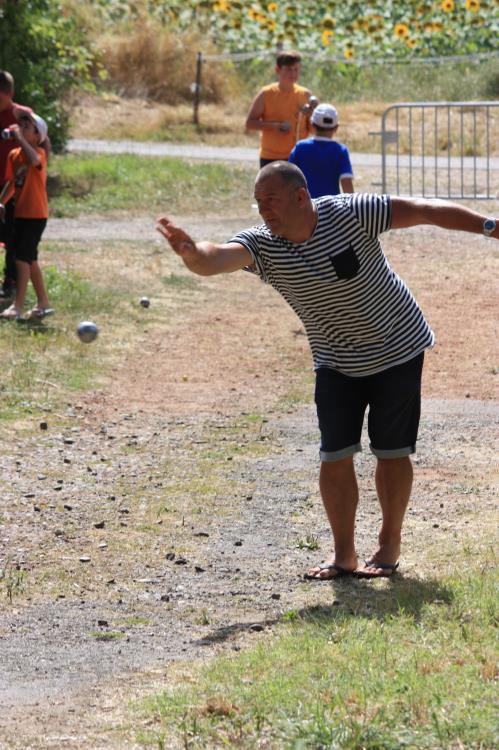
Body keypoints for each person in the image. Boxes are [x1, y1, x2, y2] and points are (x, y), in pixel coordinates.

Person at [156, 161, 498, 580]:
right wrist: (193, 253)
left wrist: (488, 225)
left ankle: (389, 544)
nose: (264, 211)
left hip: (397, 346)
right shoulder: (264, 246)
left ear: (301, 197)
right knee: (334, 454)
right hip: (335, 359)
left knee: (391, 451)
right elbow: (215, 259)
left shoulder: (351, 212)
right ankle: (344, 556)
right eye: (258, 203)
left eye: (272, 201)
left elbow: (423, 208)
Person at [0, 108, 53, 320]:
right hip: (21, 214)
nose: (20, 128)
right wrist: (1, 201)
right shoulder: (14, 156)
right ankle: (43, 303)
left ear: (37, 136)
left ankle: (17, 306)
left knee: (21, 259)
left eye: (26, 127)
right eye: (20, 125)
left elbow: (33, 161)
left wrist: (19, 137)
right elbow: (12, 184)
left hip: (36, 215)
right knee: (29, 260)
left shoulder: (38, 154)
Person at [245, 50, 316, 168]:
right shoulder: (266, 93)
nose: (293, 74)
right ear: (277, 70)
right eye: (289, 69)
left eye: (296, 69)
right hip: (270, 156)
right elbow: (250, 123)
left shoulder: (305, 95)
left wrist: (310, 115)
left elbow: (313, 130)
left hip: (298, 155)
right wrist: (276, 126)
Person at [0, 70, 33, 299]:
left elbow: (39, 145)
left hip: (13, 184)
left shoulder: (24, 116)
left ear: (9, 93)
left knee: (12, 234)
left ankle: (10, 281)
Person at [289, 103, 354, 197]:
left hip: (304, 206)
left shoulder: (300, 147)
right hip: (331, 207)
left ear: (312, 124)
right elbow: (346, 182)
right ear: (336, 128)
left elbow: (289, 177)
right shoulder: (340, 150)